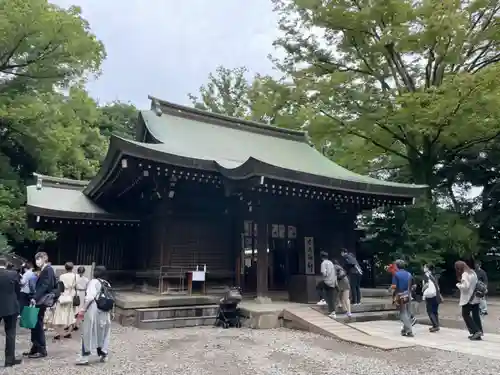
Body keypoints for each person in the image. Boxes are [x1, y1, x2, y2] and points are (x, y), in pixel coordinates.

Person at [76, 265, 112, 365]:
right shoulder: (107, 283)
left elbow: (90, 297)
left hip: (94, 310)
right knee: (103, 333)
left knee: (89, 332)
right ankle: (104, 354)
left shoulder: (93, 282)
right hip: (105, 311)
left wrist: (83, 309)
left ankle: (84, 357)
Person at [24, 252, 56, 359]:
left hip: (41, 300)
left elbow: (44, 286)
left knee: (38, 324)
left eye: (39, 258)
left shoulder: (48, 269)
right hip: (40, 299)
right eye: (36, 259)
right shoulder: (46, 269)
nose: (37, 261)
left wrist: (35, 297)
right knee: (35, 323)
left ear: (44, 259)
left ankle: (41, 349)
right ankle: (35, 347)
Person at [0, 265, 22, 367]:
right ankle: (9, 360)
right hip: (10, 307)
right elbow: (18, 290)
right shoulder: (13, 274)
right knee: (10, 334)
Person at [455, 260, 482, 340]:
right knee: (475, 315)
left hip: (468, 298)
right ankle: (478, 333)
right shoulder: (473, 273)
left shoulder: (465, 274)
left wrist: (458, 285)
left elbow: (465, 286)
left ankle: (476, 331)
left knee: (465, 314)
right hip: (475, 297)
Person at [52, 262, 77, 340]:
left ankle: (58, 333)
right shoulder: (75, 276)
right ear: (72, 268)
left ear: (65, 268)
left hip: (63, 295)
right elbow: (76, 286)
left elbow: (60, 287)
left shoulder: (62, 276)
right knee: (70, 314)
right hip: (71, 295)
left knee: (60, 314)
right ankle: (69, 332)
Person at [392, 259, 414, 337]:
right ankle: (404, 330)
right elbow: (413, 285)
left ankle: (409, 330)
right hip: (408, 294)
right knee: (407, 313)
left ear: (397, 266)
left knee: (402, 314)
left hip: (400, 295)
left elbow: (394, 287)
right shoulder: (409, 274)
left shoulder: (396, 274)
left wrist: (390, 291)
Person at [316, 251, 338, 319]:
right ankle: (333, 312)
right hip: (333, 281)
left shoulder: (323, 263)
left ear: (321, 257)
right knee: (330, 297)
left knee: (318, 286)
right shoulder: (331, 262)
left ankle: (323, 299)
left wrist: (325, 276)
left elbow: (324, 272)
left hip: (327, 281)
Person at [422, 264, 441, 332]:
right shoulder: (434, 275)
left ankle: (435, 325)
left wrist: (423, 290)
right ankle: (436, 325)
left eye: (424, 267)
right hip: (436, 295)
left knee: (429, 310)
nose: (423, 268)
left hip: (430, 295)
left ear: (427, 268)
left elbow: (426, 285)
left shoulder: (426, 275)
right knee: (435, 311)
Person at [74, 266, 89, 331]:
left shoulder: (74, 278)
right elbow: (87, 288)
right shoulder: (86, 279)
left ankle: (73, 323)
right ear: (84, 272)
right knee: (81, 309)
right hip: (82, 293)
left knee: (74, 308)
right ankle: (78, 324)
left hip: (76, 293)